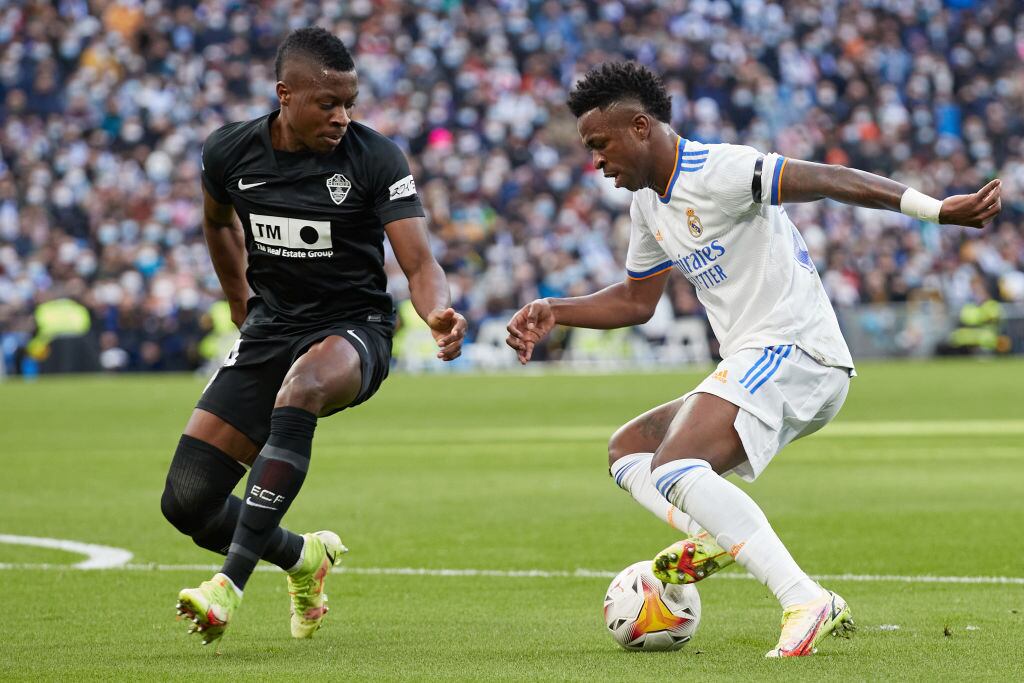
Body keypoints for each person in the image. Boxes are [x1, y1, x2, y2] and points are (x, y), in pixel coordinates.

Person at [505, 62, 1001, 658]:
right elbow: (637, 301)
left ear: (640, 127)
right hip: (757, 358)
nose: (595, 161)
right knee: (628, 451)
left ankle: (804, 599)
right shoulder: (647, 206)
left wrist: (935, 210)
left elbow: (829, 179)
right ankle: (716, 536)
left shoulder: (719, 170)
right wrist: (556, 310)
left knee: (675, 465)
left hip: (797, 350)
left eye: (599, 144)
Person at [164, 27, 467, 646]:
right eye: (328, 103)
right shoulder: (229, 151)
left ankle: (227, 586)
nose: (342, 116)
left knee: (301, 387)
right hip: (272, 326)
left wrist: (436, 311)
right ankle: (304, 557)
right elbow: (217, 223)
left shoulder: (375, 158)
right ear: (285, 95)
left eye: (349, 103)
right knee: (188, 502)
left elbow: (419, 263)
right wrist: (238, 301)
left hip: (354, 328)